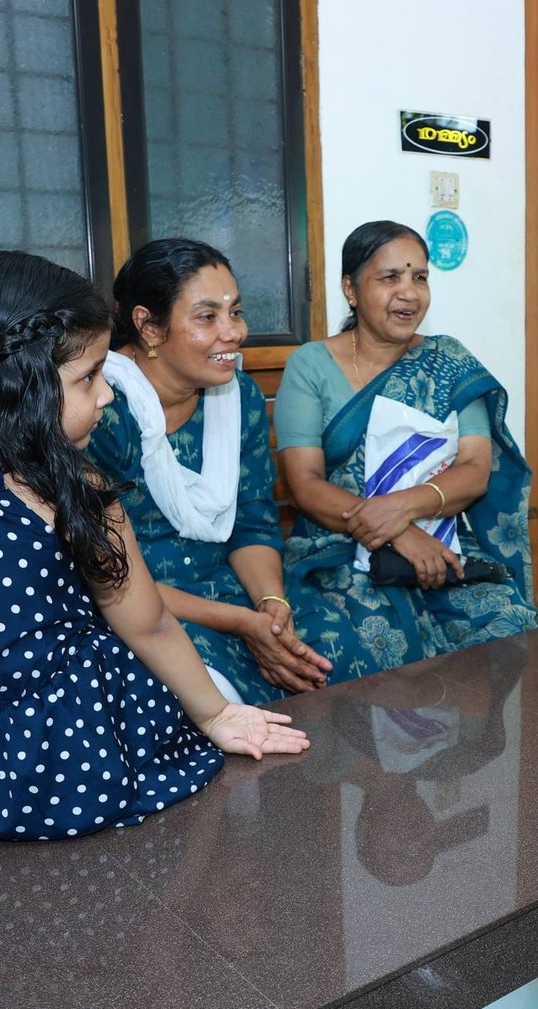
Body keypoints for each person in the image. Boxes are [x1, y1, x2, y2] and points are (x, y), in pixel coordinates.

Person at [0, 250, 308, 841]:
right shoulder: (56, 487)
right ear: (19, 383)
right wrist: (216, 715)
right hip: (60, 763)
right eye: (88, 377)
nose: (106, 395)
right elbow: (147, 622)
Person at [274, 221, 536, 682]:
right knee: (366, 645)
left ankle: (469, 733)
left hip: (442, 539)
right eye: (390, 277)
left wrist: (402, 512)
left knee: (505, 621)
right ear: (351, 290)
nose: (409, 292)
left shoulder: (449, 361)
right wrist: (399, 534)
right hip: (338, 547)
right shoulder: (311, 364)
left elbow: (476, 467)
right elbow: (303, 484)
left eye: (419, 277)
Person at [85, 238, 331, 706]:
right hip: (138, 607)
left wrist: (270, 605)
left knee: (333, 652)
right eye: (207, 317)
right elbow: (104, 576)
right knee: (213, 700)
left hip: (233, 589)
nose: (234, 332)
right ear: (148, 326)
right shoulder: (101, 410)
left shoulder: (240, 397)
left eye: (235, 312)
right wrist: (240, 622)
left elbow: (253, 521)